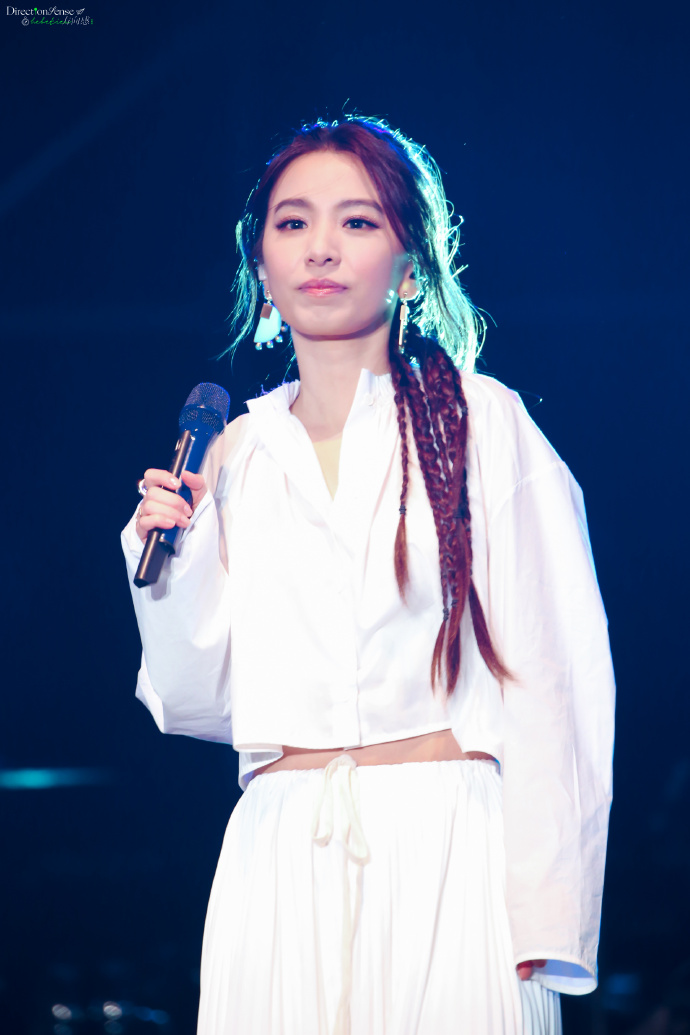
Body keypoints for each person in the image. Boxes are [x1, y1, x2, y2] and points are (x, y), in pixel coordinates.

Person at [122, 116, 615, 1035]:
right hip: (281, 855)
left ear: (411, 263)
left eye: (357, 221)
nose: (321, 247)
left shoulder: (483, 425)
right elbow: (195, 700)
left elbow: (560, 678)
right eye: (293, 222)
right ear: (261, 266)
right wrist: (165, 566)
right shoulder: (235, 454)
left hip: (449, 849)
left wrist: (549, 916)